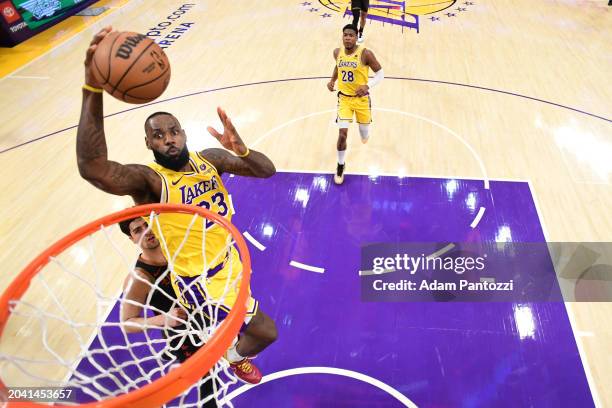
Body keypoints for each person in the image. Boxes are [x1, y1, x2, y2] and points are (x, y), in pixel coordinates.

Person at [77, 27, 277, 384]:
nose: (168, 139)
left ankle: (232, 356)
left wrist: (241, 149)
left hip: (229, 261)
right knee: (244, 336)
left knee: (261, 335)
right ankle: (206, 361)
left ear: (184, 133)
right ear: (149, 144)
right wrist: (93, 88)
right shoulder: (150, 181)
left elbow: (267, 171)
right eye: (159, 135)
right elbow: (93, 168)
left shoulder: (211, 159)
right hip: (198, 280)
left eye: (174, 131)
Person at [119, 217, 217, 407]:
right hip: (182, 333)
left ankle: (169, 350)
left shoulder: (178, 250)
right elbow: (127, 323)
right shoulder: (139, 278)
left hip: (203, 315)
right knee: (208, 375)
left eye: (147, 224)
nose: (146, 231)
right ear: (132, 239)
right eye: (137, 230)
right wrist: (163, 319)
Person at [327, 24, 384, 185]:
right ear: (342, 36)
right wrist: (332, 81)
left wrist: (368, 86)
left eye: (351, 35)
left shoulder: (365, 53)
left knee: (364, 134)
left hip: (362, 100)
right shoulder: (337, 52)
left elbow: (381, 74)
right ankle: (340, 165)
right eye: (345, 35)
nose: (348, 38)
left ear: (355, 36)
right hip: (344, 99)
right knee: (342, 134)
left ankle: (364, 133)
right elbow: (338, 66)